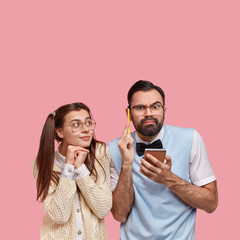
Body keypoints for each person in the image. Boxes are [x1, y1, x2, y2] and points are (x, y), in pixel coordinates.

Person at [109, 80, 218, 240]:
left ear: (164, 110)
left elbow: (211, 204)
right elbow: (119, 215)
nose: (149, 113)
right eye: (140, 107)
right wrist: (127, 164)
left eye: (155, 106)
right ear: (128, 113)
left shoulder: (191, 138)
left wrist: (169, 179)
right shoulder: (113, 148)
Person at [32, 102, 112, 240]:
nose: (86, 129)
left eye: (88, 123)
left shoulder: (100, 153)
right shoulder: (43, 163)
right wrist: (68, 168)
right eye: (76, 124)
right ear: (60, 131)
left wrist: (80, 169)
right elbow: (59, 215)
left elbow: (103, 208)